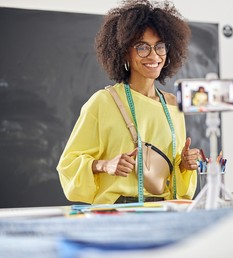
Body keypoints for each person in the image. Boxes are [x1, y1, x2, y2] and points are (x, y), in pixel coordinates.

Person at [56, 0, 200, 204]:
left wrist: (184, 165)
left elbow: (168, 175)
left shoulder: (173, 106)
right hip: (118, 213)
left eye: (160, 46)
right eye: (142, 47)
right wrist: (104, 165)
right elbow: (67, 165)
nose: (153, 55)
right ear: (124, 51)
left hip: (163, 212)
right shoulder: (103, 102)